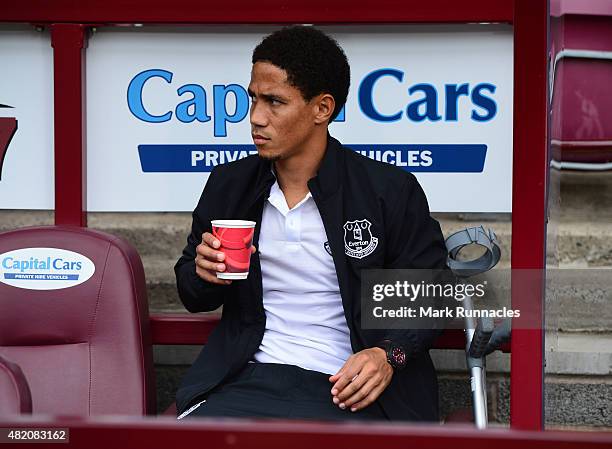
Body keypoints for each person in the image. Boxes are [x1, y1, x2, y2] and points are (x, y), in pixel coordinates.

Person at [174, 25, 448, 421]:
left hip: (347, 385)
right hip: (246, 376)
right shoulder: (229, 185)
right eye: (252, 99)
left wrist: (387, 354)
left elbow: (428, 297)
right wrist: (204, 274)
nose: (256, 118)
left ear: (322, 108)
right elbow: (194, 295)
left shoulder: (386, 190)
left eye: (274, 102)